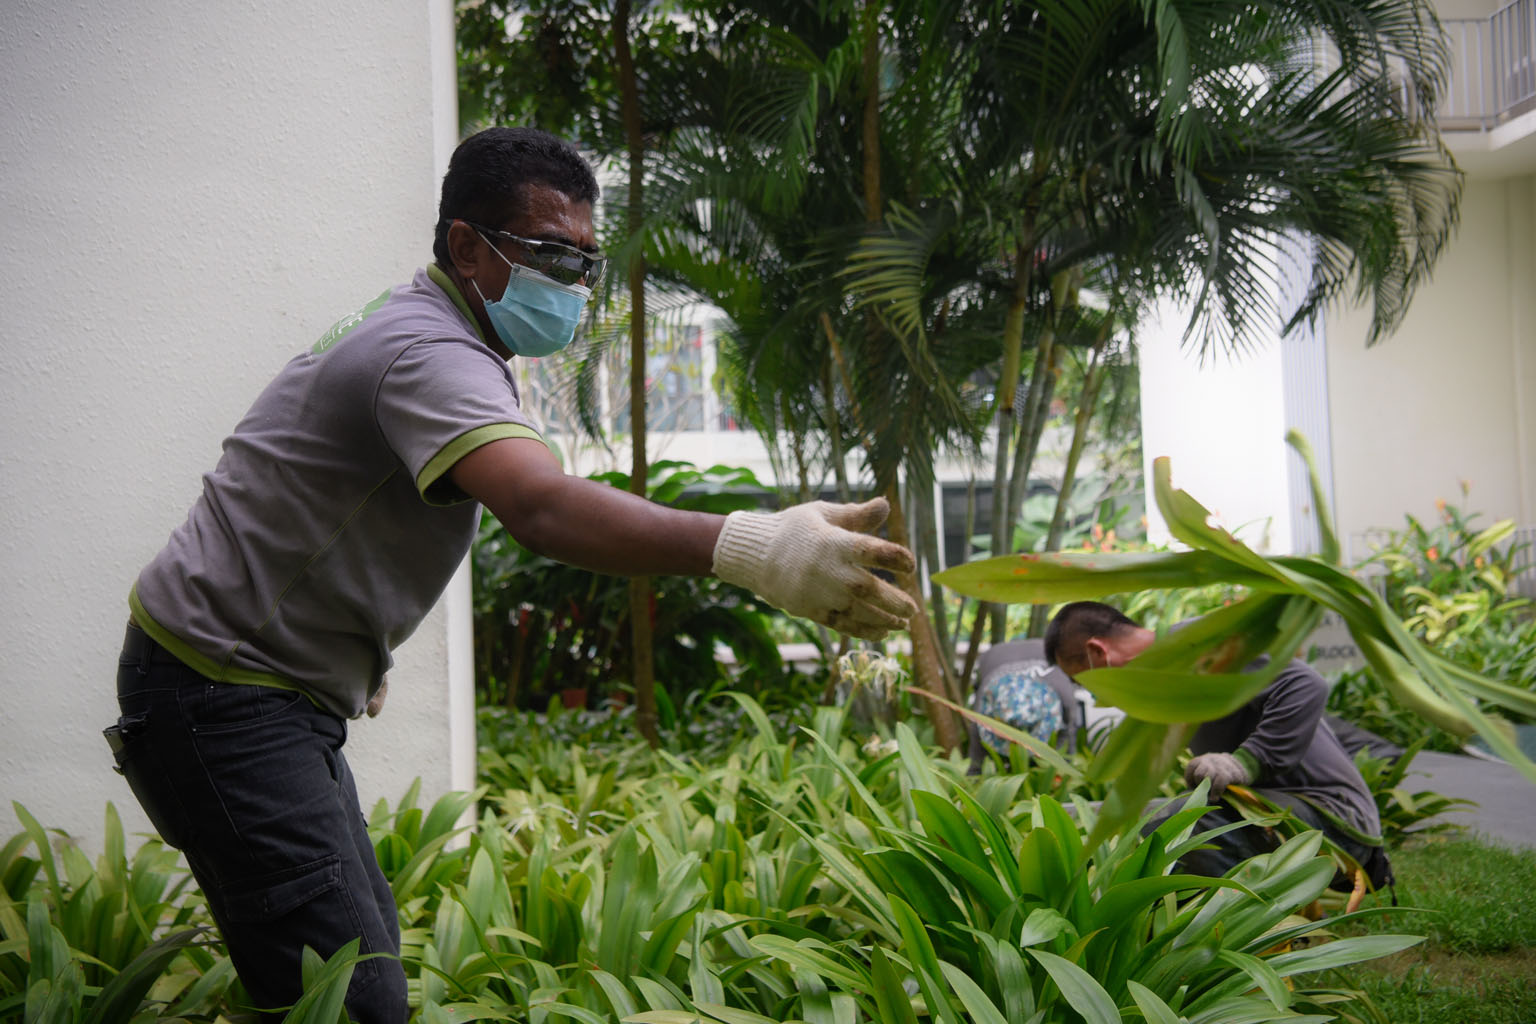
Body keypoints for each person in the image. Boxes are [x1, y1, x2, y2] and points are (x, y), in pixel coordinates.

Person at [105, 126, 917, 1024]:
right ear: (465, 244)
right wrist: (758, 549)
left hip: (250, 683)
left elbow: (322, 497)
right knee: (349, 1002)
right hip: (222, 693)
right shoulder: (431, 354)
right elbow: (541, 508)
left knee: (347, 977)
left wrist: (346, 642)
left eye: (584, 260)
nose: (569, 282)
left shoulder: (433, 328)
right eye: (546, 253)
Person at [1042, 601, 1386, 882]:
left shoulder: (1196, 643)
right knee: (1138, 821)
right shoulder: (1163, 679)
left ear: (1096, 653)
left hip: (1337, 820)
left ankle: (1231, 943)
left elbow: (1306, 685)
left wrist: (1246, 762)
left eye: (1082, 681)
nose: (1090, 693)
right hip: (1280, 811)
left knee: (1187, 822)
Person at [967, 637, 1082, 773]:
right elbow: (977, 757)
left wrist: (1061, 772)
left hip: (1040, 648)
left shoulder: (1064, 693)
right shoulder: (985, 699)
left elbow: (1067, 736)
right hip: (996, 656)